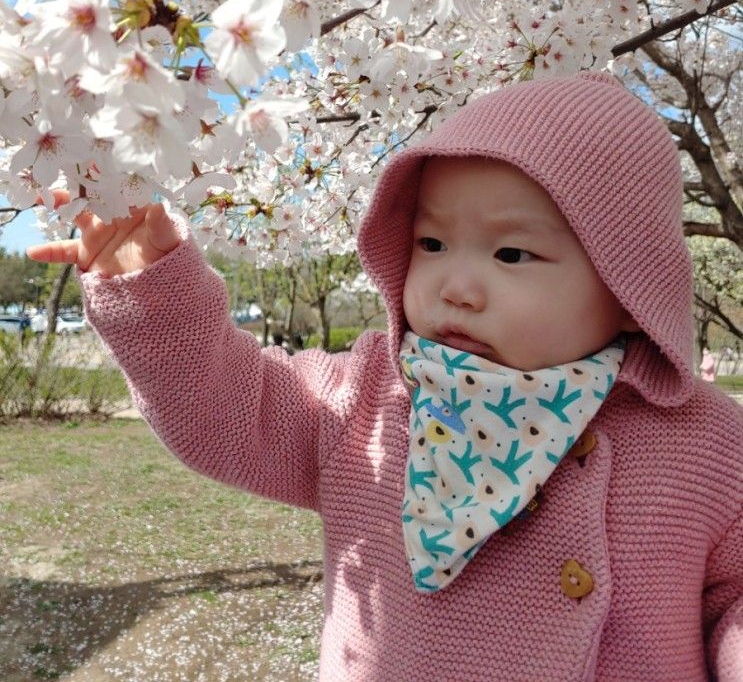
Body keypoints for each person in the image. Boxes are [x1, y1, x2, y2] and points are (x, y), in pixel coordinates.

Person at [27, 72, 743, 682]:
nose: (455, 285)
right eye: (430, 242)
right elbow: (222, 406)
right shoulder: (368, 395)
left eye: (513, 254)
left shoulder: (705, 442)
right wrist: (151, 286)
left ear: (629, 287)